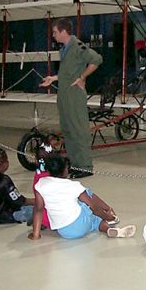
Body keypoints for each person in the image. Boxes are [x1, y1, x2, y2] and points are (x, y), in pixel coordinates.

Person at [39, 18, 103, 178]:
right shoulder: (65, 49)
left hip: (74, 95)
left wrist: (82, 77)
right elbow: (68, 72)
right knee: (68, 131)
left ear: (63, 32)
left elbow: (96, 60)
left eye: (55, 32)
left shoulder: (77, 46)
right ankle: (76, 164)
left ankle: (85, 167)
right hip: (64, 95)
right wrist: (53, 78)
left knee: (79, 131)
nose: (53, 36)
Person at [29, 153, 135, 240]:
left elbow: (38, 210)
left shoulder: (41, 184)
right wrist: (107, 217)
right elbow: (93, 207)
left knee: (85, 210)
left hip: (64, 231)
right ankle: (107, 225)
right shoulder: (73, 186)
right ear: (65, 170)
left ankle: (107, 222)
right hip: (81, 224)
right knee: (93, 211)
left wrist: (35, 234)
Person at [0, 148, 35, 224]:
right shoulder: (4, 180)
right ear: (4, 164)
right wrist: (38, 201)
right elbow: (20, 201)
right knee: (35, 210)